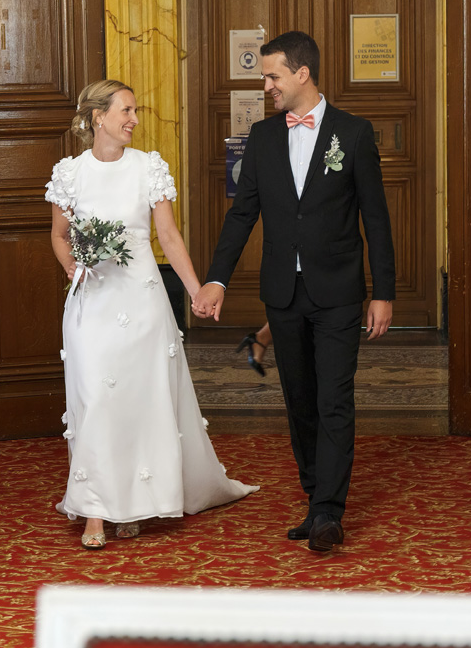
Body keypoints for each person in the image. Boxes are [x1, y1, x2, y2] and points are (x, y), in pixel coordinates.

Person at [193, 31, 395, 552]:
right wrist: (216, 278)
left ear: (302, 73)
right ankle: (315, 498)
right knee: (300, 401)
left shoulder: (352, 133)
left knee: (334, 399)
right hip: (282, 292)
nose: (266, 86)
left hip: (340, 292)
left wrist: (384, 292)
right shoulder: (262, 138)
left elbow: (376, 218)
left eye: (272, 75)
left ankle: (329, 510)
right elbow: (243, 216)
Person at [47, 79, 257, 549]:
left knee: (142, 401)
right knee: (96, 400)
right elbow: (60, 235)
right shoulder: (70, 173)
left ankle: (137, 503)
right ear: (98, 117)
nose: (134, 120)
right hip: (92, 304)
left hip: (142, 303)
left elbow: (169, 236)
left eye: (135, 111)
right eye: (126, 111)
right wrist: (74, 268)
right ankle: (98, 510)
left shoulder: (149, 168)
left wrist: (197, 291)